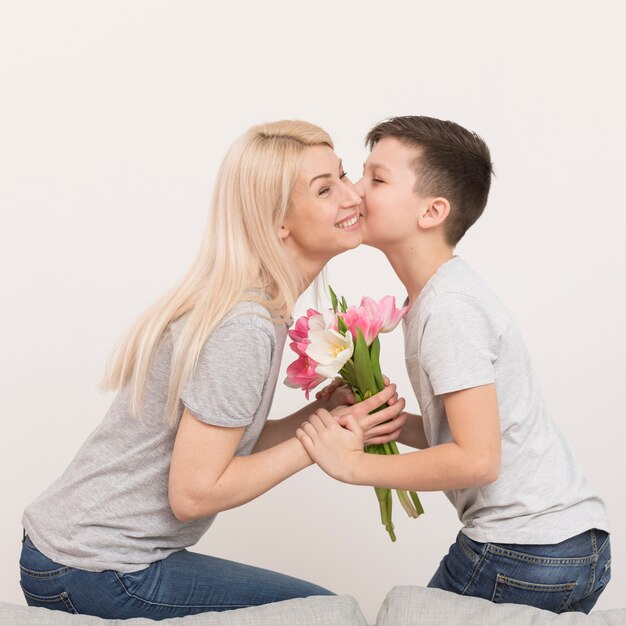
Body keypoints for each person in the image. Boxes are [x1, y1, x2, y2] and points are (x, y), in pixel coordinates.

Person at [19, 120, 407, 620]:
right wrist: (318, 446)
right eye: (325, 189)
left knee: (327, 610)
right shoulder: (243, 327)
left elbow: (221, 447)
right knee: (327, 614)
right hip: (95, 568)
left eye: (344, 176)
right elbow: (195, 493)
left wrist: (320, 417)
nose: (353, 196)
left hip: (77, 555)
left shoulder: (258, 308)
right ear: (278, 221)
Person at [299, 116, 611, 614]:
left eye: (376, 179)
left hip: (525, 550)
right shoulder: (439, 297)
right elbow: (480, 434)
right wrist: (398, 426)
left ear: (432, 211)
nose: (355, 191)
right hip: (566, 544)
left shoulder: (449, 310)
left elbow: (477, 460)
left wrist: (355, 466)